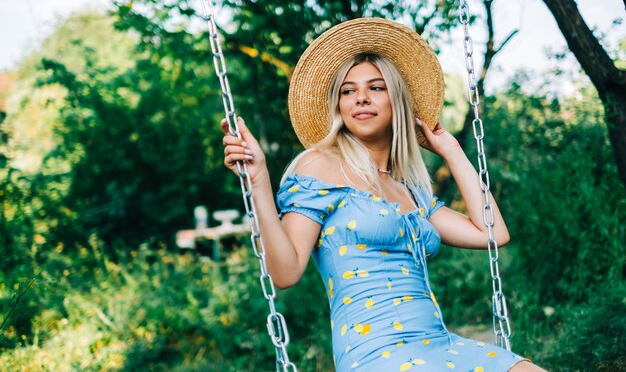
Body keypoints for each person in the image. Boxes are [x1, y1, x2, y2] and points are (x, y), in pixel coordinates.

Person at [222, 18, 546, 371]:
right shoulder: (318, 168)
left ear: (398, 100)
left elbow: (493, 234)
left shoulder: (411, 188)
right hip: (375, 355)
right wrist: (259, 182)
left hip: (441, 345)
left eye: (376, 87)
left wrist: (452, 151)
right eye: (347, 90)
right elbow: (285, 273)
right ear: (339, 106)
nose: (360, 97)